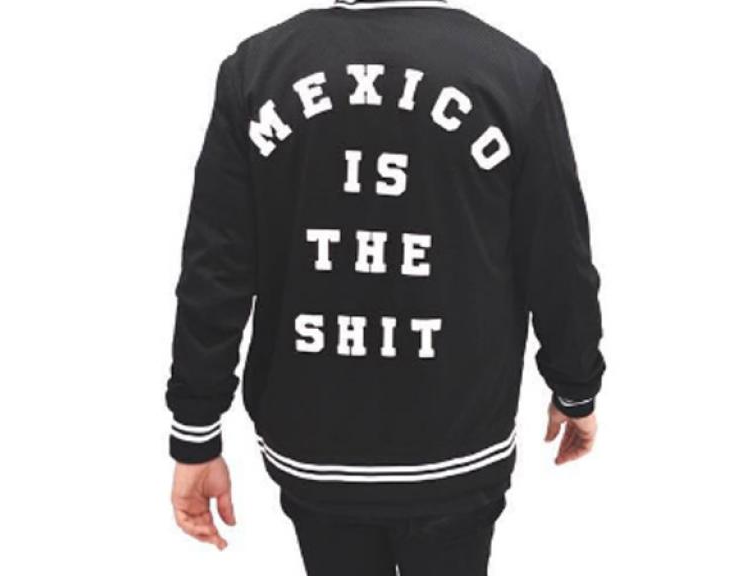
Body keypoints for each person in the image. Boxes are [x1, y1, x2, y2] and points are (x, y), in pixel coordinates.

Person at [165, 1, 606, 574]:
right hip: (456, 443)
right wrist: (575, 387)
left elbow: (215, 269)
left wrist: (196, 434)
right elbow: (558, 258)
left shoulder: (259, 70)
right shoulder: (512, 74)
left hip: (316, 447)